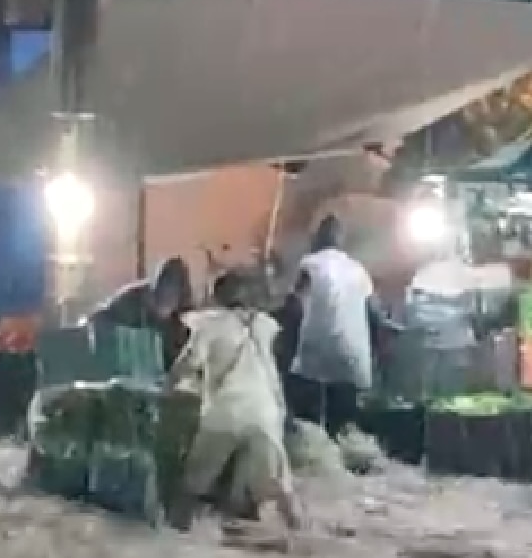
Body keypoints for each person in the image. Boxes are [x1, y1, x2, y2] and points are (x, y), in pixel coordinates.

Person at [169, 270, 302, 529]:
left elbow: (189, 362)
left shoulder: (209, 323)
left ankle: (176, 529)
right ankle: (301, 534)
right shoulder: (261, 324)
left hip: (226, 410)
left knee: (194, 479)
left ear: (216, 296)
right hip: (266, 412)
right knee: (280, 484)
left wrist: (169, 384)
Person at [290, 214, 378, 437]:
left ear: (317, 238)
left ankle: (314, 448)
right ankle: (342, 448)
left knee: (309, 408)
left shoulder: (309, 263)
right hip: (352, 348)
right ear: (342, 240)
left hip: (317, 344)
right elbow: (374, 308)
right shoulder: (358, 269)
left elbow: (294, 301)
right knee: (342, 412)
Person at [91, 256, 196, 370]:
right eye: (165, 286)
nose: (168, 294)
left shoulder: (185, 322)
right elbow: (97, 319)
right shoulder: (130, 300)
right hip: (123, 373)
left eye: (174, 290)